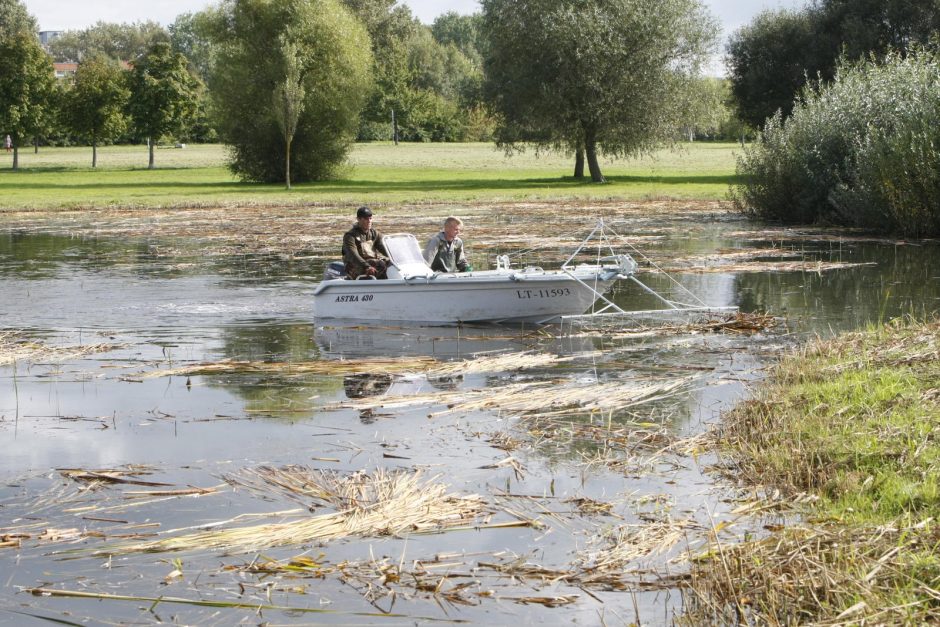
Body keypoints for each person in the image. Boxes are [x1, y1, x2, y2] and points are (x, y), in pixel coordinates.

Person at [342, 206, 390, 279]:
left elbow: (384, 249)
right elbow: (353, 255)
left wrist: (396, 257)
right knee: (380, 264)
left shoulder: (374, 234)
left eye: (370, 218)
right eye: (366, 219)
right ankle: (382, 286)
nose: (369, 221)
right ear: (358, 219)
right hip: (355, 266)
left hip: (371, 264)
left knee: (390, 263)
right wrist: (367, 266)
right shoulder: (350, 236)